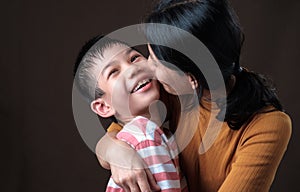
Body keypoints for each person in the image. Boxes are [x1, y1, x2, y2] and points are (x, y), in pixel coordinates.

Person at [97, 0, 292, 191]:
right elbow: (115, 132)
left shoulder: (269, 126)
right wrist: (119, 155)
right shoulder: (171, 89)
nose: (147, 67)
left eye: (156, 61)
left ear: (190, 79)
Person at [73, 35, 188, 191]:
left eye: (134, 58)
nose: (132, 69)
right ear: (104, 107)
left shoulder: (150, 133)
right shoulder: (145, 136)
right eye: (114, 72)